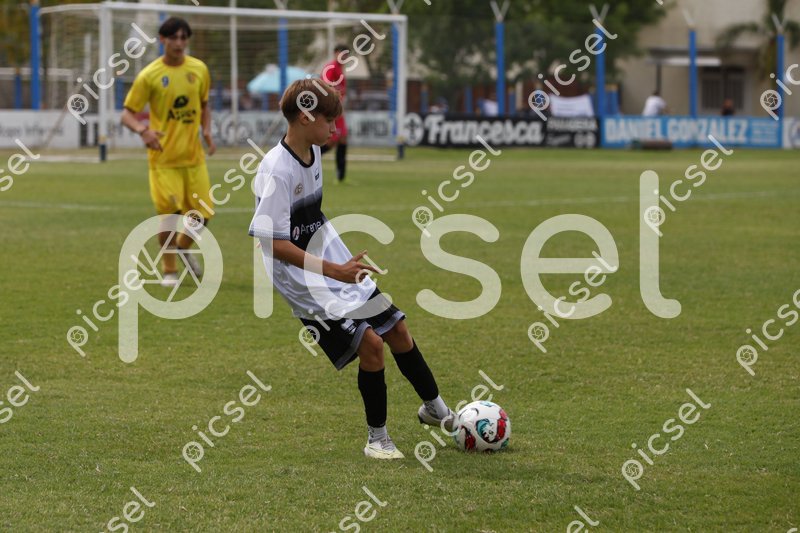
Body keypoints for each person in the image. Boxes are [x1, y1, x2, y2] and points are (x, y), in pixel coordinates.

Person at [249, 79, 454, 460]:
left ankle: (437, 410)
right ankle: (377, 439)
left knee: (397, 329)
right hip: (304, 282)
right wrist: (333, 271)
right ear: (305, 117)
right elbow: (271, 243)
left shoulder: (313, 151)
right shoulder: (277, 170)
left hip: (331, 260)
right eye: (329, 120)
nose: (335, 128)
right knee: (372, 345)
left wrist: (339, 263)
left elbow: (311, 217)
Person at [121, 17, 215, 287]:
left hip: (194, 158)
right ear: (162, 40)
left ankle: (182, 248)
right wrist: (143, 131)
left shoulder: (199, 69)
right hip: (163, 159)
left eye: (184, 38)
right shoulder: (149, 75)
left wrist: (207, 130)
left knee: (203, 215)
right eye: (173, 37)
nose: (179, 43)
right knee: (171, 216)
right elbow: (126, 114)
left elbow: (204, 105)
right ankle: (169, 270)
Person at [320, 44, 349, 182]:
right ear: (336, 53)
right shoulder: (331, 68)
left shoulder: (340, 69)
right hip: (332, 109)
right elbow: (325, 87)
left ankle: (341, 177)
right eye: (342, 54)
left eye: (346, 55)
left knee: (343, 139)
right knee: (332, 141)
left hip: (338, 110)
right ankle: (308, 159)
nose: (345, 57)